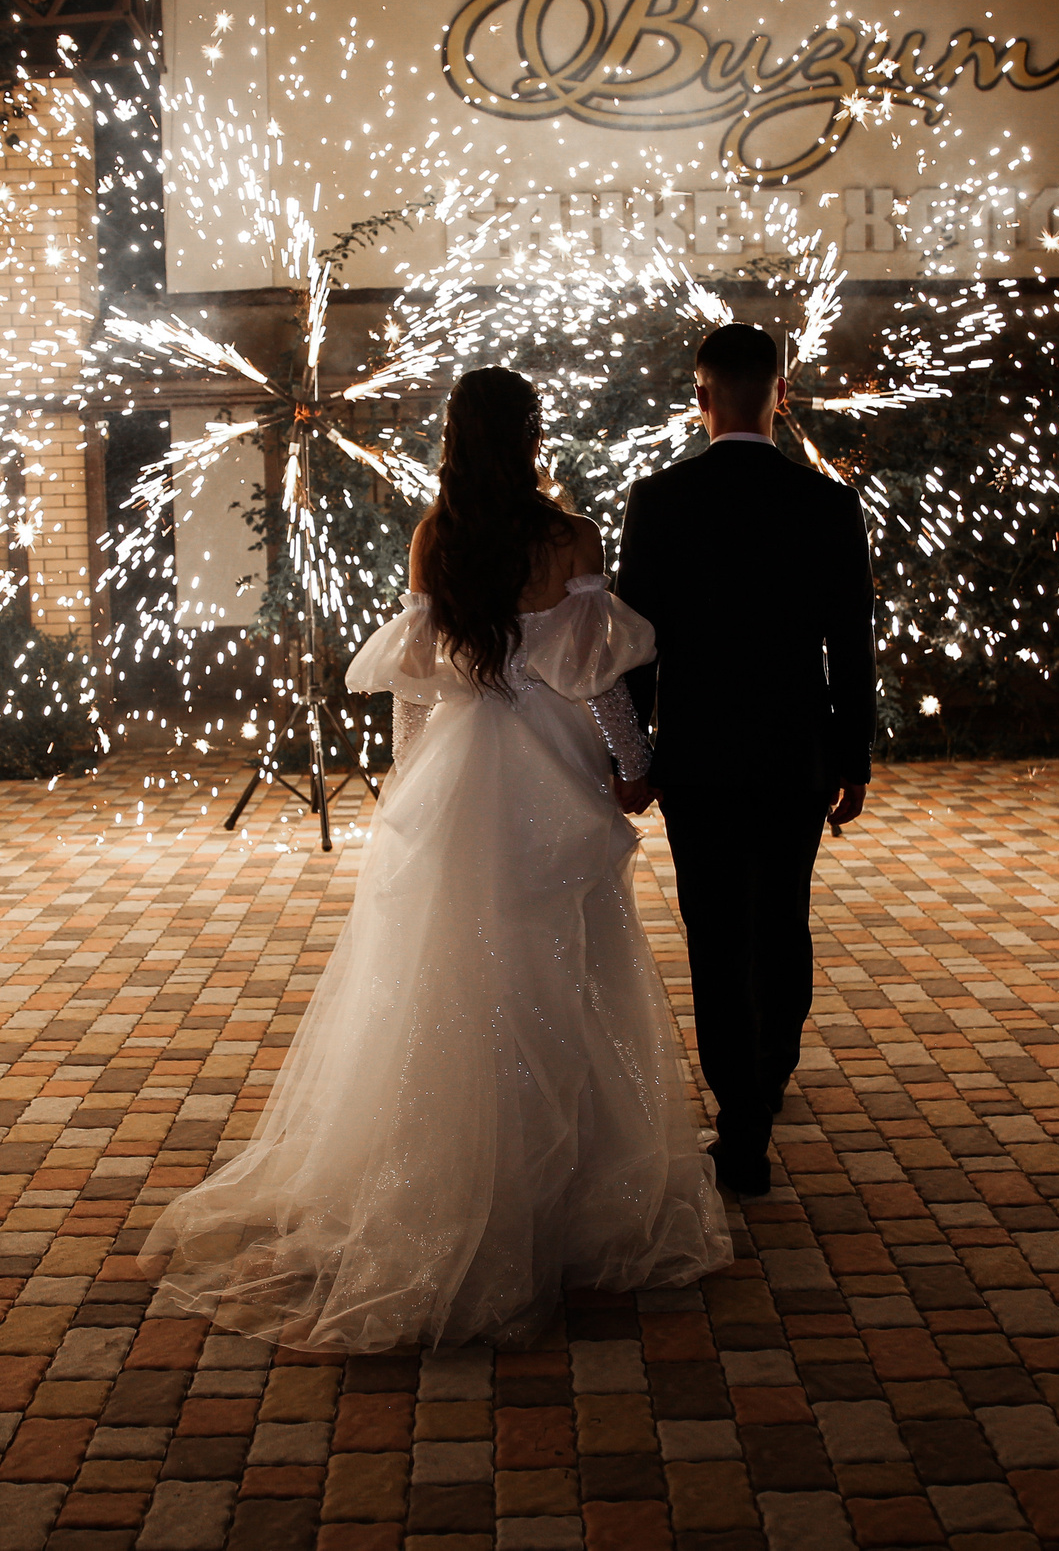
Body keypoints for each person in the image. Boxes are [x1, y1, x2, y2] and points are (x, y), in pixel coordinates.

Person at [140, 366, 731, 1352]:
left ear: (455, 437)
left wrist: (414, 793)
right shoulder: (567, 538)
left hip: (461, 775)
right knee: (564, 967)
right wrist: (635, 770)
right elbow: (598, 682)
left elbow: (417, 690)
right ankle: (567, 1186)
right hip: (550, 775)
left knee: (452, 970)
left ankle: (455, 1165)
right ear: (530, 433)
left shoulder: (436, 537)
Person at [616, 323, 877, 1200]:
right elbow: (852, 645)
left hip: (697, 757)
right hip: (793, 751)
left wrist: (638, 754)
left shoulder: (658, 501)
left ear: (701, 398)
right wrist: (854, 759)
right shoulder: (827, 504)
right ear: (780, 393)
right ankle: (770, 1069)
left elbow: (638, 649)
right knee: (783, 915)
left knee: (716, 933)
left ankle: (741, 1120)